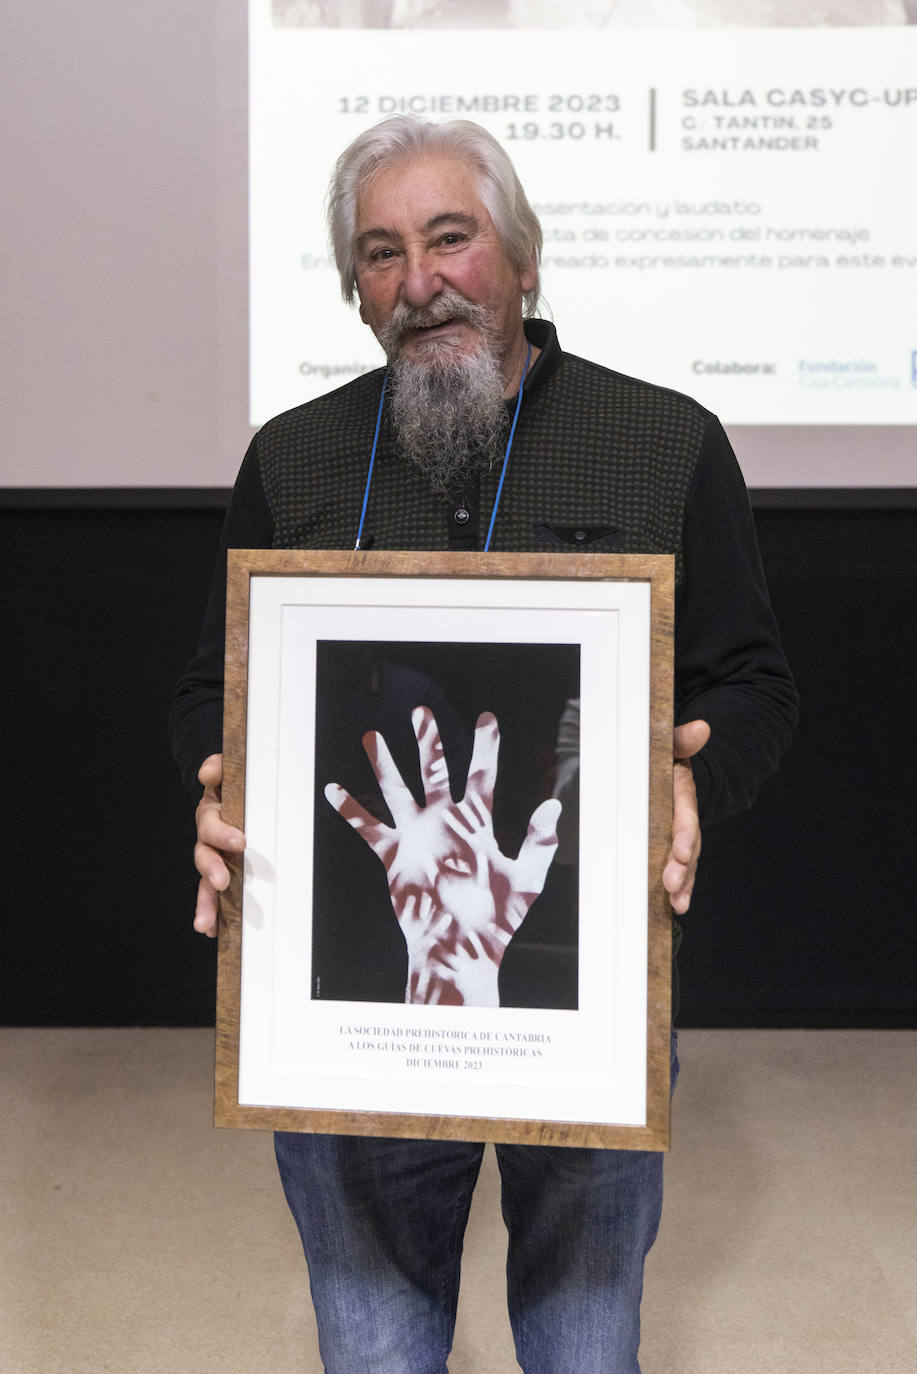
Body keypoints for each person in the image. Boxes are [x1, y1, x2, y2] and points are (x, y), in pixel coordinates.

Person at [170, 115, 797, 1373]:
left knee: (583, 1341)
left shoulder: (663, 441)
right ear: (357, 291)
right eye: (381, 254)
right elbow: (209, 690)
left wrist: (691, 767)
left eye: (449, 238)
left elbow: (752, 686)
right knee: (375, 1347)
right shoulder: (291, 459)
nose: (420, 282)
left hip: (593, 990)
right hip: (348, 991)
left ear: (520, 255)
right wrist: (218, 782)